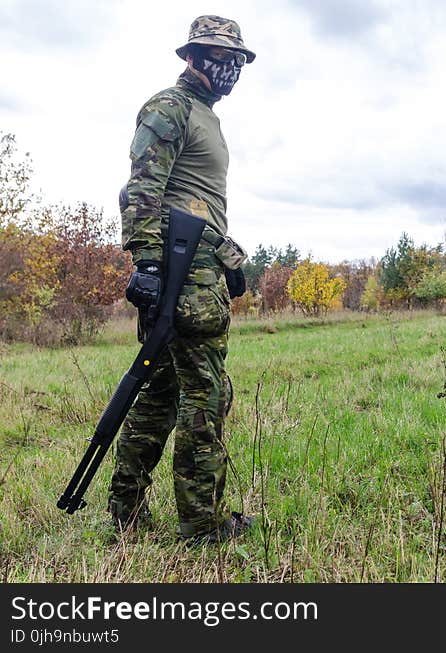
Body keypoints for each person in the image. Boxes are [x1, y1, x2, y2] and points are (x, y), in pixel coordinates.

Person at [109, 15, 255, 545]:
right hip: (180, 276)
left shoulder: (206, 117)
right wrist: (146, 263)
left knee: (160, 394)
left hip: (199, 265)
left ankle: (123, 513)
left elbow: (196, 204)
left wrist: (228, 259)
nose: (230, 68)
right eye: (221, 56)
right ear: (191, 56)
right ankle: (203, 527)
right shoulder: (170, 106)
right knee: (206, 395)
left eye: (237, 60)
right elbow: (142, 189)